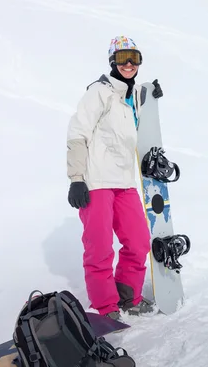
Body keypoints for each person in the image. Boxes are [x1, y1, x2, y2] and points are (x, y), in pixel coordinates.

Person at [65, 35, 164, 320]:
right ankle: (106, 307)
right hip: (96, 182)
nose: (129, 64)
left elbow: (141, 130)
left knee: (138, 242)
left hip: (124, 183)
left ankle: (128, 296)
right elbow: (77, 134)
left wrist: (150, 99)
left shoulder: (130, 99)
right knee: (99, 249)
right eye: (123, 58)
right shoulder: (99, 92)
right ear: (112, 61)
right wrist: (76, 178)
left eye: (134, 57)